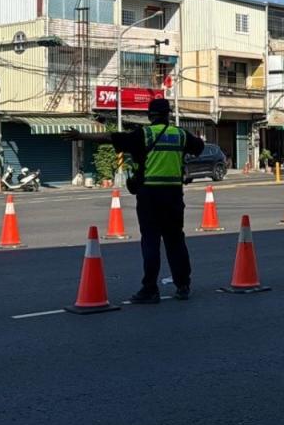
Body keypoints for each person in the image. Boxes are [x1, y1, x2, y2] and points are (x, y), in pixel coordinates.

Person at [63, 98, 204, 302]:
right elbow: (199, 147)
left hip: (149, 196)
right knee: (175, 241)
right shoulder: (181, 135)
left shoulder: (144, 134)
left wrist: (81, 135)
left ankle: (150, 289)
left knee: (151, 241)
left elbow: (111, 137)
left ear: (150, 116)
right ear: (168, 115)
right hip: (173, 195)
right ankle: (183, 286)